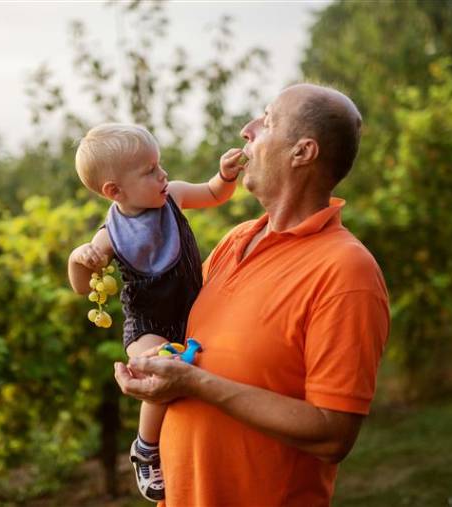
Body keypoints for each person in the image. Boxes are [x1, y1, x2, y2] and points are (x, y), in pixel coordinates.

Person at [114, 84, 391, 506]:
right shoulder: (235, 241)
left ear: (302, 152)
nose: (247, 129)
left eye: (268, 120)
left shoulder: (345, 271)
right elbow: (185, 338)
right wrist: (153, 367)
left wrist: (195, 382)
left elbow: (333, 434)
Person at [67, 123, 243, 502]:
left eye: (159, 165)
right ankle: (146, 448)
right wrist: (78, 259)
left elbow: (213, 193)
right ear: (115, 191)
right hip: (147, 324)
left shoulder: (174, 196)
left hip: (192, 311)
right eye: (149, 171)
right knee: (159, 364)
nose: (162, 175)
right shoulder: (110, 236)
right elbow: (83, 286)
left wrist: (225, 176)